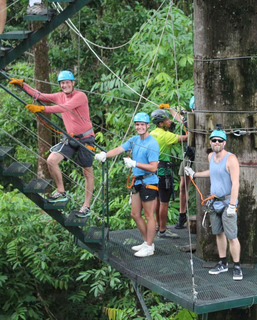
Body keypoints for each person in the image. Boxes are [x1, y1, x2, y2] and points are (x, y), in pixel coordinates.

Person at [9, 71, 95, 215]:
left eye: (67, 82)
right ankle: (61, 191)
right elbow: (39, 96)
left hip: (86, 139)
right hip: (70, 137)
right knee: (51, 160)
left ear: (73, 83)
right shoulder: (59, 96)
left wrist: (42, 109)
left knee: (87, 172)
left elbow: (64, 107)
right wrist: (23, 85)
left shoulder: (80, 96)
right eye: (62, 83)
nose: (65, 85)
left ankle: (86, 206)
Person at [94, 112, 159, 258]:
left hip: (149, 181)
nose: (140, 127)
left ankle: (149, 245)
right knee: (135, 214)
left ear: (148, 125)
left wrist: (135, 163)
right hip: (137, 181)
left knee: (149, 215)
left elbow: (154, 167)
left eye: (142, 124)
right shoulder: (135, 140)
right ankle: (146, 242)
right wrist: (105, 154)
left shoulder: (152, 143)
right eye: (137, 124)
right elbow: (120, 149)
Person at [184, 129, 243, 281]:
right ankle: (222, 262)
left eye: (220, 141)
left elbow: (235, 183)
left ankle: (236, 266)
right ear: (210, 142)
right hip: (214, 201)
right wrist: (194, 174)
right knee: (218, 233)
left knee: (232, 235)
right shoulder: (211, 156)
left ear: (224, 143)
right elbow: (212, 172)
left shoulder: (231, 159)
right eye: (214, 140)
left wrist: (232, 205)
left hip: (227, 201)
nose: (217, 143)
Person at [150, 108, 187, 238]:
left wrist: (170, 110)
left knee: (156, 199)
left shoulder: (152, 133)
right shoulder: (166, 136)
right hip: (163, 170)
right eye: (166, 119)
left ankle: (157, 226)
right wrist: (186, 123)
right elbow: (187, 138)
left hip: (152, 170)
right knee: (164, 202)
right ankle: (163, 231)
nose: (169, 121)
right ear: (160, 123)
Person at [175, 96, 195, 230]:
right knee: (183, 185)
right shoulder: (188, 119)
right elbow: (179, 117)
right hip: (189, 155)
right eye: (193, 108)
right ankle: (182, 215)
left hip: (203, 156)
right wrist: (170, 108)